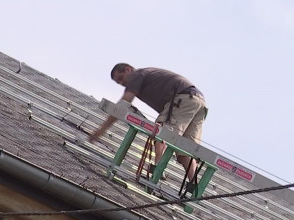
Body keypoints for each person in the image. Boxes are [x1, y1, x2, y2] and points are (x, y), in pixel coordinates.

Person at [88, 63, 208, 192]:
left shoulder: (137, 75)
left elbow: (123, 104)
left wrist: (101, 130)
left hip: (182, 98)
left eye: (121, 78)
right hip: (198, 102)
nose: (122, 83)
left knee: (161, 131)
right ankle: (194, 185)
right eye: (119, 82)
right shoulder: (147, 74)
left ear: (128, 69)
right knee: (185, 149)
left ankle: (158, 168)